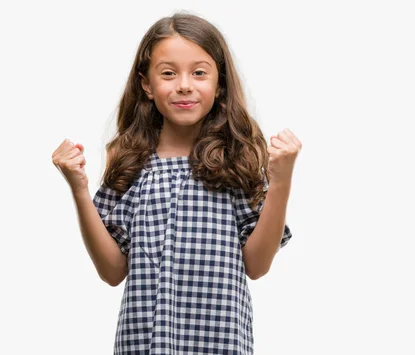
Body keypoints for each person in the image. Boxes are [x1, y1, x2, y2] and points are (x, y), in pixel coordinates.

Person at [51, 12, 301, 354]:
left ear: (219, 83)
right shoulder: (131, 164)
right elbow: (112, 272)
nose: (184, 84)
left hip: (221, 345)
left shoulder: (234, 163)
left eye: (199, 72)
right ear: (146, 84)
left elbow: (256, 266)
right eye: (168, 73)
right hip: (143, 345)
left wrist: (282, 180)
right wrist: (79, 188)